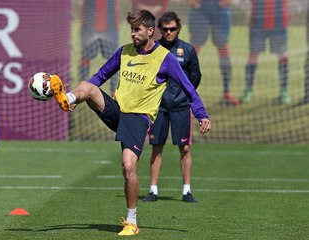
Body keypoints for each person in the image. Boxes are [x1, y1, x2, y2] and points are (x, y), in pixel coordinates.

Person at [50, 10, 211, 236]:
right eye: (131, 30)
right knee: (88, 86)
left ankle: (131, 221)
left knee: (128, 166)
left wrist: (201, 114)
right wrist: (82, 95)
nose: (133, 34)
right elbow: (101, 76)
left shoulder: (165, 59)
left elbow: (188, 88)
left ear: (149, 31)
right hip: (118, 111)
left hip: (139, 118)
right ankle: (66, 100)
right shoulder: (124, 52)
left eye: (137, 30)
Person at [142, 11, 201, 204]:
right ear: (159, 30)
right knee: (156, 148)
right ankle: (153, 190)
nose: (168, 32)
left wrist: (184, 95)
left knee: (184, 148)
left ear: (178, 28)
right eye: (165, 29)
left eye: (172, 29)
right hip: (158, 108)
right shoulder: (153, 50)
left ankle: (186, 191)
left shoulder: (188, 50)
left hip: (181, 107)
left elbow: (195, 77)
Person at [185, 0, 239, 106]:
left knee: (223, 48)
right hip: (199, 9)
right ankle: (183, 93)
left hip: (220, 9)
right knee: (194, 50)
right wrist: (194, 3)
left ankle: (227, 92)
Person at [240, 0, 290, 104]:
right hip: (257, 22)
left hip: (279, 23)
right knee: (253, 55)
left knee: (282, 55)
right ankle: (248, 90)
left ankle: (284, 91)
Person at [79, 0, 119, 96]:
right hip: (90, 27)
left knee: (113, 61)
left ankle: (113, 92)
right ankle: (81, 88)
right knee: (85, 59)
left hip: (110, 29)